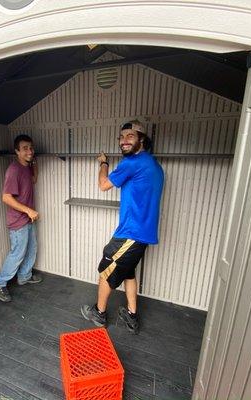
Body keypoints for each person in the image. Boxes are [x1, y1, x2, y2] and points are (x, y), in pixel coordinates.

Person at [81, 120, 164, 334]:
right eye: (121, 137)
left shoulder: (132, 163)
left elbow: (103, 185)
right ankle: (131, 315)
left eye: (130, 136)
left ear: (142, 139)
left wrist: (103, 163)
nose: (123, 141)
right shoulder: (154, 164)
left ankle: (99, 313)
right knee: (127, 272)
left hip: (131, 233)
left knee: (106, 268)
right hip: (143, 234)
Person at [0, 134, 42, 302]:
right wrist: (28, 211)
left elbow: (34, 179)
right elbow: (6, 197)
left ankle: (24, 276)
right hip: (18, 221)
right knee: (17, 254)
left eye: (31, 148)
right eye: (25, 148)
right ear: (17, 151)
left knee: (31, 249)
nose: (29, 151)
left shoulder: (26, 167)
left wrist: (34, 162)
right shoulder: (13, 170)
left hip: (27, 219)